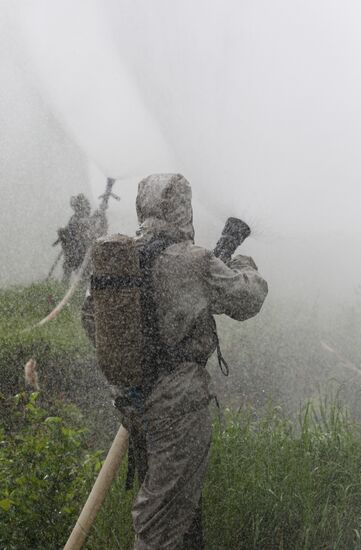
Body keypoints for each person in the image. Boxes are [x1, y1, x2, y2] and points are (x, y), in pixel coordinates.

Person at [81, 173, 268, 549]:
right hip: (178, 410)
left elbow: (90, 318)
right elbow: (248, 299)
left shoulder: (120, 256)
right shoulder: (194, 261)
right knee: (159, 526)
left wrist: (140, 368)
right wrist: (244, 263)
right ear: (183, 208)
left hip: (134, 404)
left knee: (180, 510)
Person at [55, 193, 107, 283]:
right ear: (81, 207)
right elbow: (84, 225)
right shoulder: (75, 220)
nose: (89, 208)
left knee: (84, 276)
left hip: (81, 255)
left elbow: (99, 231)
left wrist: (102, 217)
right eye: (86, 206)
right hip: (77, 255)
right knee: (80, 276)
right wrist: (98, 214)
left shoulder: (80, 219)